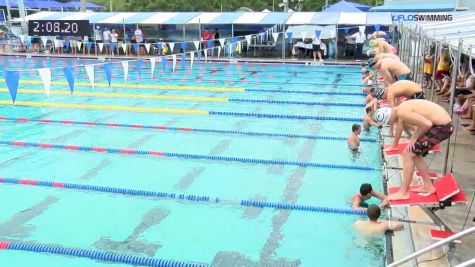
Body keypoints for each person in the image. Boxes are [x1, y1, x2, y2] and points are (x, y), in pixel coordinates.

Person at [376, 100, 453, 200]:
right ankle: (428, 186)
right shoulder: (401, 107)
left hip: (443, 127)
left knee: (407, 154)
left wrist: (414, 138)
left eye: (390, 122)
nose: (393, 123)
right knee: (413, 152)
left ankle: (404, 192)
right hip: (443, 124)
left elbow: (427, 124)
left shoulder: (402, 112)